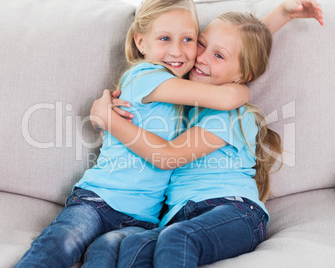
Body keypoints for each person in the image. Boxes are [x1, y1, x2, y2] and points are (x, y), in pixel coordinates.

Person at [15, 0, 250, 267]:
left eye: (188, 39)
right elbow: (229, 94)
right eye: (164, 38)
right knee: (59, 245)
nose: (177, 50)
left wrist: (283, 14)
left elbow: (239, 44)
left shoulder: (183, 89)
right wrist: (244, 86)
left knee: (105, 256)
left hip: (144, 219)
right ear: (140, 42)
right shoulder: (146, 76)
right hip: (99, 201)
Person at [89, 2, 323, 267]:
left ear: (243, 75)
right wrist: (282, 14)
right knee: (132, 243)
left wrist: (109, 120)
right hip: (181, 217)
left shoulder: (232, 115)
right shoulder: (181, 102)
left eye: (218, 56)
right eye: (200, 44)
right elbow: (238, 47)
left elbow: (169, 156)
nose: (201, 58)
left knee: (178, 238)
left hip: (235, 211)